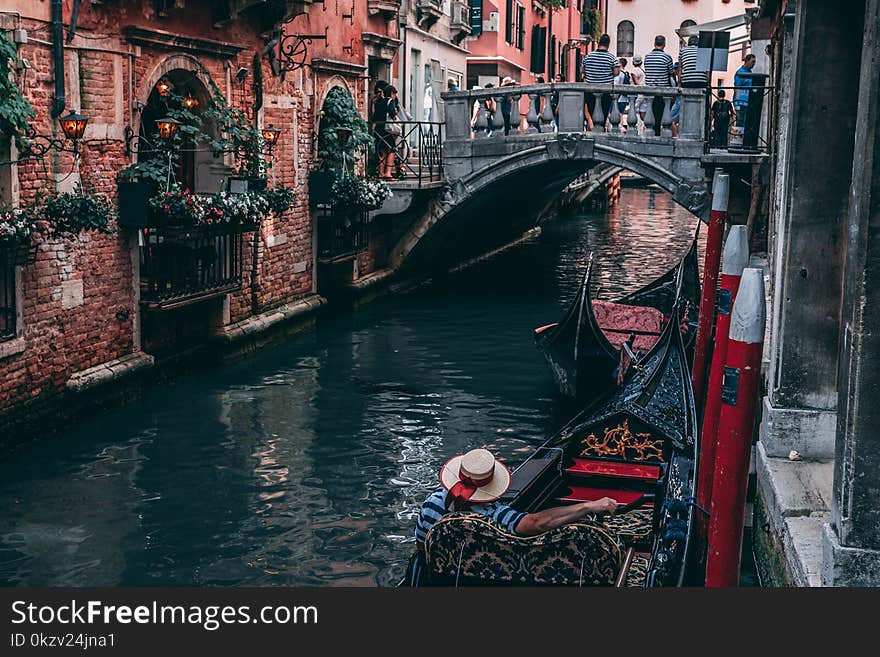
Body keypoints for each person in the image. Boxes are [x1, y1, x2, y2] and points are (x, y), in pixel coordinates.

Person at [414, 448, 620, 548]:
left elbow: (422, 547)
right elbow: (537, 523)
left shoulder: (431, 504)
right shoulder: (493, 514)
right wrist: (588, 506)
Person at [581, 33, 619, 129]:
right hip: (606, 90)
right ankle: (600, 130)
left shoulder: (588, 56)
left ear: (598, 43)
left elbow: (582, 70)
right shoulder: (612, 58)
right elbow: (616, 72)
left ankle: (592, 130)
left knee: (591, 110)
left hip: (590, 90)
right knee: (604, 113)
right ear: (608, 44)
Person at [643, 35, 675, 136]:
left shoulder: (647, 57)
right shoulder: (667, 57)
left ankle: (653, 135)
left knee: (652, 115)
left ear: (654, 43)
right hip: (662, 92)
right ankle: (657, 135)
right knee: (660, 116)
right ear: (664, 44)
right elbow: (671, 75)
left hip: (649, 92)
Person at [369, 82, 391, 176]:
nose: (380, 94)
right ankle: (385, 173)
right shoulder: (377, 101)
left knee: (384, 150)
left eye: (381, 91)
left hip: (383, 127)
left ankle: (382, 172)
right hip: (382, 127)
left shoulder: (382, 101)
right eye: (378, 92)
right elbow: (374, 114)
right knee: (385, 150)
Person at [381, 85, 401, 179]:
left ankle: (381, 173)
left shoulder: (379, 101)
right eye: (394, 94)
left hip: (379, 128)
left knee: (382, 151)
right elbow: (392, 114)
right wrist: (396, 112)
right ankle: (388, 173)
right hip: (387, 129)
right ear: (392, 93)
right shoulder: (391, 101)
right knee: (391, 150)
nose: (395, 96)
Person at [734, 53, 756, 127]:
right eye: (752, 61)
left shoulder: (749, 72)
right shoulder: (740, 72)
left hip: (748, 101)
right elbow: (737, 87)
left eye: (754, 62)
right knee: (741, 122)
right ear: (747, 61)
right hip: (741, 102)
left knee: (747, 122)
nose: (754, 64)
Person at [630, 55, 648, 133]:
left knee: (632, 110)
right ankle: (645, 128)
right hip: (644, 94)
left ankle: (632, 128)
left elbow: (636, 83)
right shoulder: (643, 70)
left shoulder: (634, 71)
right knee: (643, 113)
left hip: (638, 95)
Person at [614, 58, 631, 124]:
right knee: (620, 113)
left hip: (619, 98)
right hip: (624, 98)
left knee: (618, 114)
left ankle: (620, 127)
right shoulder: (626, 73)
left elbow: (617, 84)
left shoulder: (620, 74)